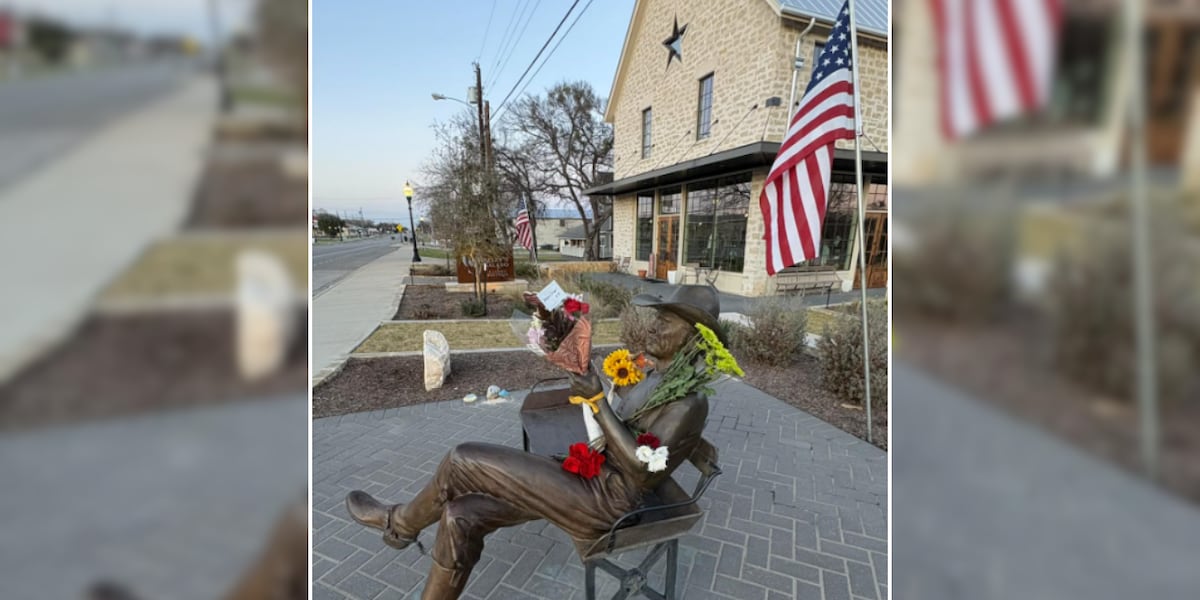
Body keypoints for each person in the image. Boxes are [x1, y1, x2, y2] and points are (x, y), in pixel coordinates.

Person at [345, 285, 728, 599]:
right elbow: (623, 420)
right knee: (459, 516)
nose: (653, 328)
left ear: (694, 339)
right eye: (656, 319)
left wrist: (596, 401)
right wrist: (584, 370)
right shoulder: (652, 373)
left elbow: (644, 473)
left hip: (607, 504)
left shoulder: (689, 402)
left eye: (665, 322)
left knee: (462, 458)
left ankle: (400, 524)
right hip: (590, 473)